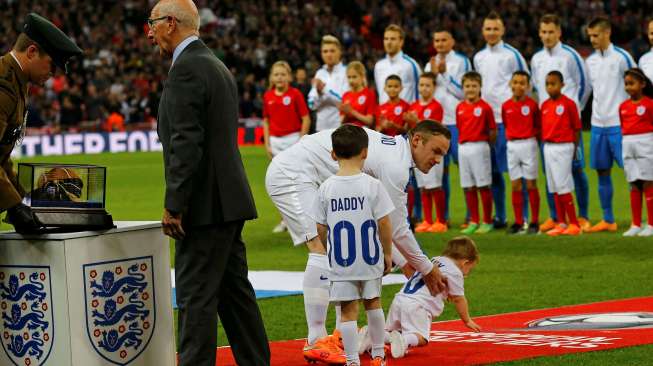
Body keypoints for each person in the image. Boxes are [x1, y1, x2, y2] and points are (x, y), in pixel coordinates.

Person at [265, 121, 450, 363]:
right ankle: (316, 341)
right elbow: (397, 226)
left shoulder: (394, 155)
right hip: (292, 174)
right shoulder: (396, 166)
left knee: (338, 250)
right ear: (416, 140)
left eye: (443, 155)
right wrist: (426, 269)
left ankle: (339, 336)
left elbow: (383, 223)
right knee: (320, 249)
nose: (438, 159)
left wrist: (404, 260)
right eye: (436, 151)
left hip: (310, 175)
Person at [147, 1, 270, 365]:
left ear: (170, 24)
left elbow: (187, 143)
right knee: (236, 301)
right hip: (228, 203)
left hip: (203, 208)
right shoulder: (216, 66)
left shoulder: (186, 69)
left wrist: (175, 203)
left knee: (195, 299)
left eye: (151, 24)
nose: (150, 33)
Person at [310, 124, 394, 366]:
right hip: (369, 259)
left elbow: (320, 227)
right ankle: (378, 355)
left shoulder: (326, 188)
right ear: (365, 152)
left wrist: (330, 252)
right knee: (373, 304)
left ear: (333, 154)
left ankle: (352, 360)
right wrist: (387, 253)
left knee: (348, 312)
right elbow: (385, 222)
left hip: (341, 262)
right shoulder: (372, 185)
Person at [0, 13, 83, 233]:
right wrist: (15, 205)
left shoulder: (16, 81)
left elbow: (2, 156)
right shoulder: (3, 86)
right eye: (51, 65)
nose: (54, 74)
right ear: (32, 52)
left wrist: (23, 199)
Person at [364, 236, 481, 358]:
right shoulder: (455, 272)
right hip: (418, 306)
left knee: (394, 331)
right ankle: (405, 341)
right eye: (470, 269)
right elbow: (459, 299)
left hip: (399, 299)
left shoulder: (434, 260)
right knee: (421, 337)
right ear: (465, 262)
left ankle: (374, 336)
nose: (468, 272)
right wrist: (467, 320)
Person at [531, 13, 591, 232]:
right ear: (539, 33)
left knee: (576, 169)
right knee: (550, 173)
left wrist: (572, 111)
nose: (547, 36)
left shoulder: (570, 56)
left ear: (559, 32)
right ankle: (556, 217)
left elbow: (585, 85)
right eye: (543, 32)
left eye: (551, 32)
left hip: (566, 124)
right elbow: (537, 89)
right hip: (548, 124)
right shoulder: (536, 59)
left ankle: (582, 215)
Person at [473, 11, 529, 229]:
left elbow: (525, 83)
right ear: (483, 30)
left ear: (503, 30)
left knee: (517, 172)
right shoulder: (478, 57)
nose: (492, 33)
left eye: (496, 28)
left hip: (508, 122)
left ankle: (522, 217)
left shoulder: (512, 55)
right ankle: (501, 216)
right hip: (487, 122)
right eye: (488, 29)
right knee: (493, 172)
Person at [585, 16, 636, 233]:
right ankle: (608, 219)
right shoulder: (590, 61)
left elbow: (637, 85)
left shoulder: (623, 58)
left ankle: (641, 221)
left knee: (634, 174)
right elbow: (588, 91)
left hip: (619, 125)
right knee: (602, 171)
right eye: (590, 36)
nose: (593, 40)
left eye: (596, 35)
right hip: (598, 124)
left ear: (607, 33)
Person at [424, 29, 471, 224]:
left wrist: (443, 76)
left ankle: (471, 216)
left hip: (456, 123)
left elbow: (465, 94)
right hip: (436, 125)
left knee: (466, 170)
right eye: (437, 40)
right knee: (438, 173)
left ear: (452, 41)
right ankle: (443, 218)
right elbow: (426, 92)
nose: (440, 43)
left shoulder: (462, 62)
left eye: (444, 40)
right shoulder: (429, 63)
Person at [263, 61, 310, 233]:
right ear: (272, 77)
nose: (280, 77)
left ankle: (303, 219)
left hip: (293, 140)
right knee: (279, 183)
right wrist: (267, 143)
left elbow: (306, 118)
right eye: (276, 74)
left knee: (297, 181)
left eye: (283, 74)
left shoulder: (295, 94)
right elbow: (266, 120)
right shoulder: (268, 96)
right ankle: (285, 220)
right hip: (275, 142)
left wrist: (301, 140)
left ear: (289, 77)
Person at [540, 71, 582, 236]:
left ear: (562, 85)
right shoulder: (544, 105)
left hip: (563, 146)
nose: (550, 87)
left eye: (553, 83)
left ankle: (574, 223)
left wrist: (574, 148)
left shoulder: (569, 104)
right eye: (548, 84)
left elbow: (577, 128)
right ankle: (561, 222)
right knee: (554, 186)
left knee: (563, 185)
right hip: (548, 147)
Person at [405, 72, 446, 233]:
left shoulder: (436, 107)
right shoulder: (413, 106)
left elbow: (435, 131)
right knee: (423, 188)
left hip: (433, 153)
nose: (424, 88)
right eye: (421, 85)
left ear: (434, 87)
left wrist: (416, 122)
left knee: (435, 186)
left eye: (428, 85)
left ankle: (441, 221)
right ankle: (427, 220)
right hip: (419, 154)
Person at [457, 71, 497, 235]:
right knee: (468, 186)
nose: (470, 89)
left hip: (480, 147)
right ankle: (474, 220)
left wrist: (486, 145)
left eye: (474, 86)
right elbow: (460, 127)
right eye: (467, 86)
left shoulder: (485, 107)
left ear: (480, 87)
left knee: (483, 185)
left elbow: (493, 130)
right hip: (463, 148)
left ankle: (487, 221)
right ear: (463, 88)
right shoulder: (459, 107)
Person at [501, 71, 541, 234]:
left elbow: (537, 125)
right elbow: (506, 123)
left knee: (531, 183)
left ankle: (534, 222)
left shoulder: (532, 105)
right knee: (515, 184)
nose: (518, 86)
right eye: (515, 82)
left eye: (522, 83)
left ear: (528, 86)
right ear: (510, 84)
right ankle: (518, 222)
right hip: (512, 146)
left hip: (528, 144)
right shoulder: (506, 106)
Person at [619, 68, 653, 237]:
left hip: (646, 142)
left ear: (643, 84)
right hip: (628, 143)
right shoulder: (623, 107)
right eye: (626, 84)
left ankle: (652, 224)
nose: (628, 87)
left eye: (631, 83)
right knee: (633, 182)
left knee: (648, 181)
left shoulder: (649, 104)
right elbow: (623, 126)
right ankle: (635, 224)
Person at [308, 35, 349, 132]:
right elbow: (312, 105)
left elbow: (344, 103)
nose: (328, 54)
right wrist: (318, 93)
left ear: (340, 52)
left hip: (340, 127)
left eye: (332, 51)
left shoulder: (347, 72)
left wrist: (324, 90)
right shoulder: (319, 73)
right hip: (321, 128)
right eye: (325, 51)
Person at [374, 24, 422, 104]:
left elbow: (420, 93)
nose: (388, 42)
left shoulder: (410, 65)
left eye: (393, 39)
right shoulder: (378, 66)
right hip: (384, 115)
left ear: (401, 42)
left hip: (405, 115)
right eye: (386, 39)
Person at [340, 61, 377, 128]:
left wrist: (352, 112)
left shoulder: (369, 94)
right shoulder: (345, 95)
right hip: (347, 132)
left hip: (363, 132)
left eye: (354, 77)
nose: (351, 80)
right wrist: (346, 114)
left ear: (362, 76)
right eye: (349, 77)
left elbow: (370, 121)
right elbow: (341, 122)